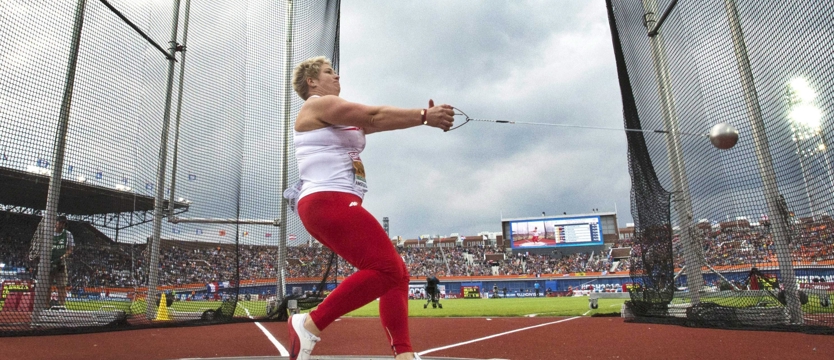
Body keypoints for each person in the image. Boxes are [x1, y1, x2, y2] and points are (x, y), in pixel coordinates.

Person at [284, 56, 454, 360]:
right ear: (312, 82)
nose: (337, 77)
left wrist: (421, 119)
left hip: (330, 203)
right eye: (328, 72)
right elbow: (373, 115)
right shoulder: (317, 104)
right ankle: (309, 323)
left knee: (398, 273)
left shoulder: (335, 116)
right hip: (327, 200)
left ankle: (403, 353)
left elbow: (378, 122)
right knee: (387, 269)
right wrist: (425, 114)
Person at [47, 216, 74, 307]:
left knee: (62, 285)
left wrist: (64, 256)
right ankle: (46, 305)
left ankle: (62, 305)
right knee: (47, 285)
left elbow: (70, 249)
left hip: (60, 263)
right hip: (48, 262)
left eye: (64, 223)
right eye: (60, 223)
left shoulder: (68, 234)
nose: (62, 225)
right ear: (56, 222)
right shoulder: (49, 233)